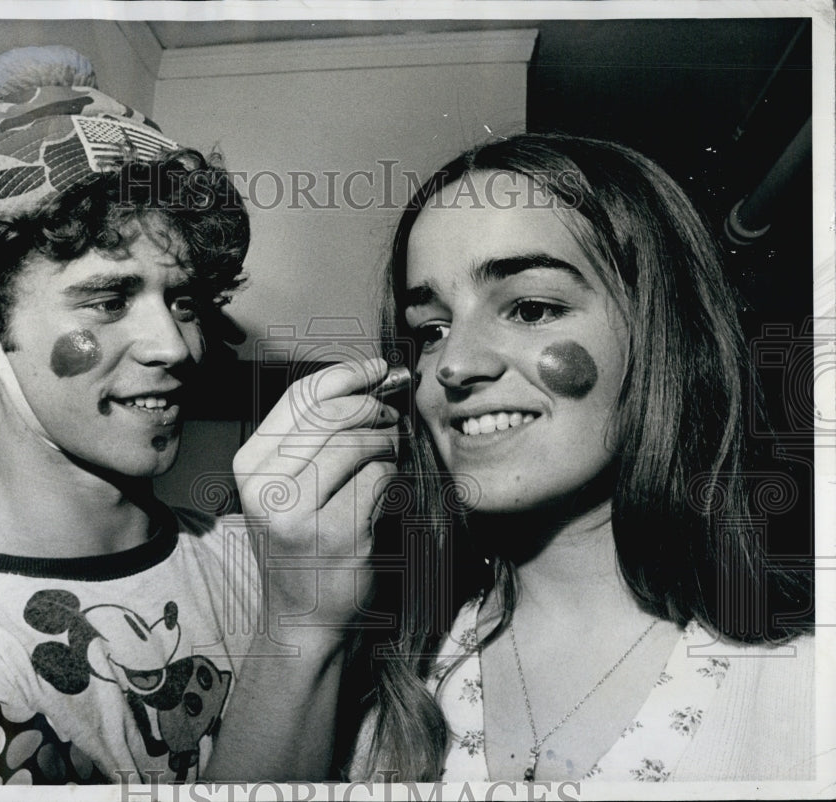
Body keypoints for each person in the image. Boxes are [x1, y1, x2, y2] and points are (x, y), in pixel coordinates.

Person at [0, 45, 399, 785]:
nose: (174, 346)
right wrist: (303, 624)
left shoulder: (274, 556)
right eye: (109, 300)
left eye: (184, 301)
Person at [347, 133, 816, 783]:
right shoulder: (397, 664)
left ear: (660, 333)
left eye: (532, 308)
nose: (453, 365)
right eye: (431, 330)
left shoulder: (808, 681)